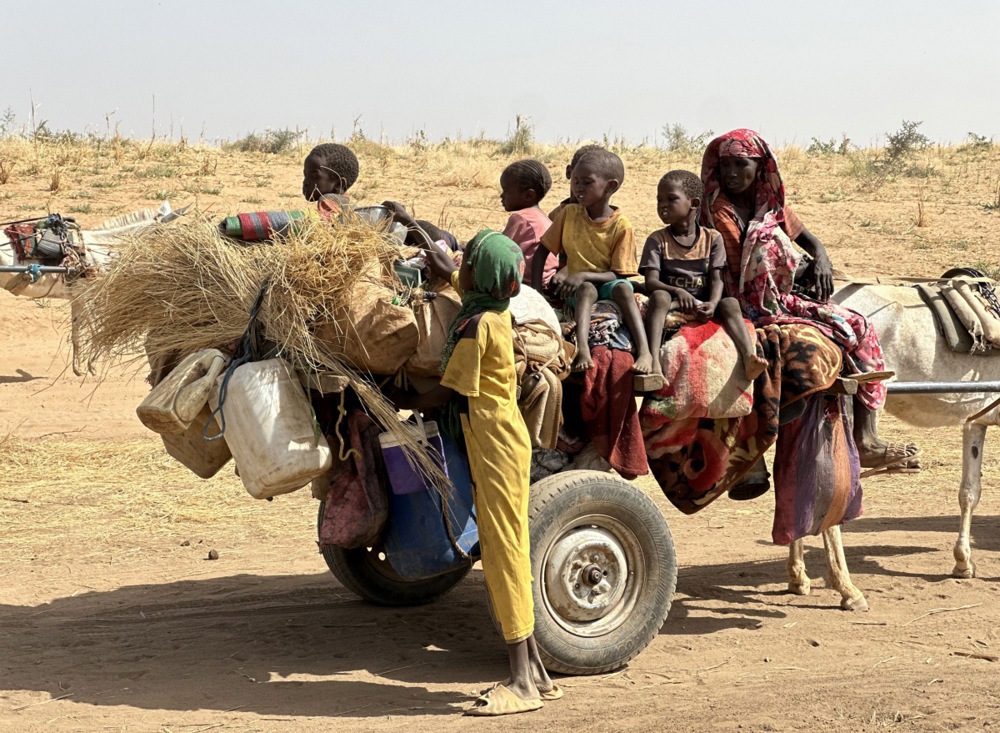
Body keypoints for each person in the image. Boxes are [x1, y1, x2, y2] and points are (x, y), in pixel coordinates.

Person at [382, 202, 560, 716]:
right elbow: (456, 277)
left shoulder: (476, 326)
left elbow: (443, 394)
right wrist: (410, 221)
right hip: (500, 437)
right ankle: (541, 675)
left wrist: (397, 401)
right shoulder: (492, 306)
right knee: (509, 547)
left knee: (504, 555)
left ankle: (522, 682)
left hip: (496, 445)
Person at [700, 128, 919, 479]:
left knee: (858, 326)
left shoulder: (771, 203)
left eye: (741, 164)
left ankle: (866, 436)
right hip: (741, 302)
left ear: (761, 166)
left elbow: (810, 241)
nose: (731, 173)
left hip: (781, 298)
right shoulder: (716, 209)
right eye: (725, 165)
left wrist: (820, 259)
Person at [534, 149, 656, 378]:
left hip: (607, 283)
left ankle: (645, 351)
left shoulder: (621, 225)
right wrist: (538, 294)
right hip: (579, 290)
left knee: (622, 289)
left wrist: (583, 274)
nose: (578, 187)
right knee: (587, 289)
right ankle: (582, 350)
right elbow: (541, 252)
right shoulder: (568, 214)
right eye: (575, 181)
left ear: (610, 187)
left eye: (587, 182)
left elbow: (619, 275)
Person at [641, 170, 767, 380]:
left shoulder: (712, 238)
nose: (663, 205)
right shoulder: (657, 240)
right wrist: (678, 291)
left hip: (700, 304)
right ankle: (654, 360)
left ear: (694, 203)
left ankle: (748, 357)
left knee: (730, 303)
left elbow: (717, 279)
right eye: (659, 200)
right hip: (671, 303)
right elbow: (651, 282)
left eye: (671, 199)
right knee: (659, 297)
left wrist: (712, 303)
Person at [499, 159, 557, 288]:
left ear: (529, 195)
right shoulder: (544, 218)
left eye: (506, 191)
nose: (501, 196)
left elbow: (499, 251)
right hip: (547, 284)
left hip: (527, 285)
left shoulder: (522, 218)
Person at [546, 143, 606, 220]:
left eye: (588, 182)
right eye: (577, 179)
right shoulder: (556, 216)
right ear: (569, 172)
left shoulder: (605, 220)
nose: (581, 187)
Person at [301, 143, 359, 219]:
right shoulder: (349, 205)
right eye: (305, 175)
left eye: (314, 176)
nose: (305, 182)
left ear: (339, 184)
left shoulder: (328, 200)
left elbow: (318, 222)